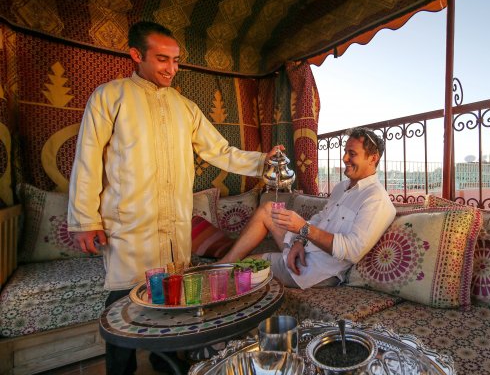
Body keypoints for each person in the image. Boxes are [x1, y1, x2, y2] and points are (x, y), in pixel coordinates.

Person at [67, 21, 282, 375]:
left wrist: (263, 161)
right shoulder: (110, 96)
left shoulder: (185, 107)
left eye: (177, 60)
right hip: (130, 223)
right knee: (124, 303)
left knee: (174, 297)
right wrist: (85, 221)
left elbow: (221, 151)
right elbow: (87, 160)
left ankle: (164, 362)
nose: (172, 68)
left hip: (175, 223)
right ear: (136, 55)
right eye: (162, 59)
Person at [219, 127, 396, 289]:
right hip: (305, 249)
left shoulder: (376, 199)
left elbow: (353, 251)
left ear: (373, 158)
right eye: (345, 152)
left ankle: (218, 278)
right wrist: (299, 241)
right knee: (268, 208)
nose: (344, 158)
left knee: (245, 267)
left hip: (316, 270)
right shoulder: (341, 187)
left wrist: (304, 229)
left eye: (352, 153)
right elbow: (320, 218)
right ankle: (221, 266)